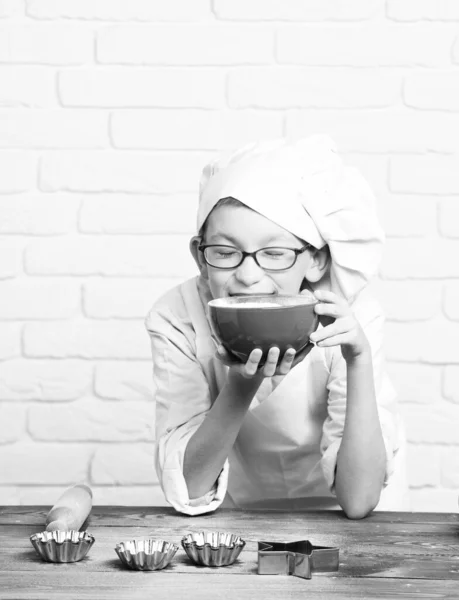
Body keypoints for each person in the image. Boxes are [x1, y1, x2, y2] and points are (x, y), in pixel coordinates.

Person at [145, 135, 409, 518]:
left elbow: (359, 501)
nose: (248, 276)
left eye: (274, 254)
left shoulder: (349, 316)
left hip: (350, 516)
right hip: (240, 515)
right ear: (200, 258)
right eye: (224, 252)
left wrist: (359, 361)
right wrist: (242, 385)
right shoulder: (177, 316)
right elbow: (189, 486)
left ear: (315, 262)